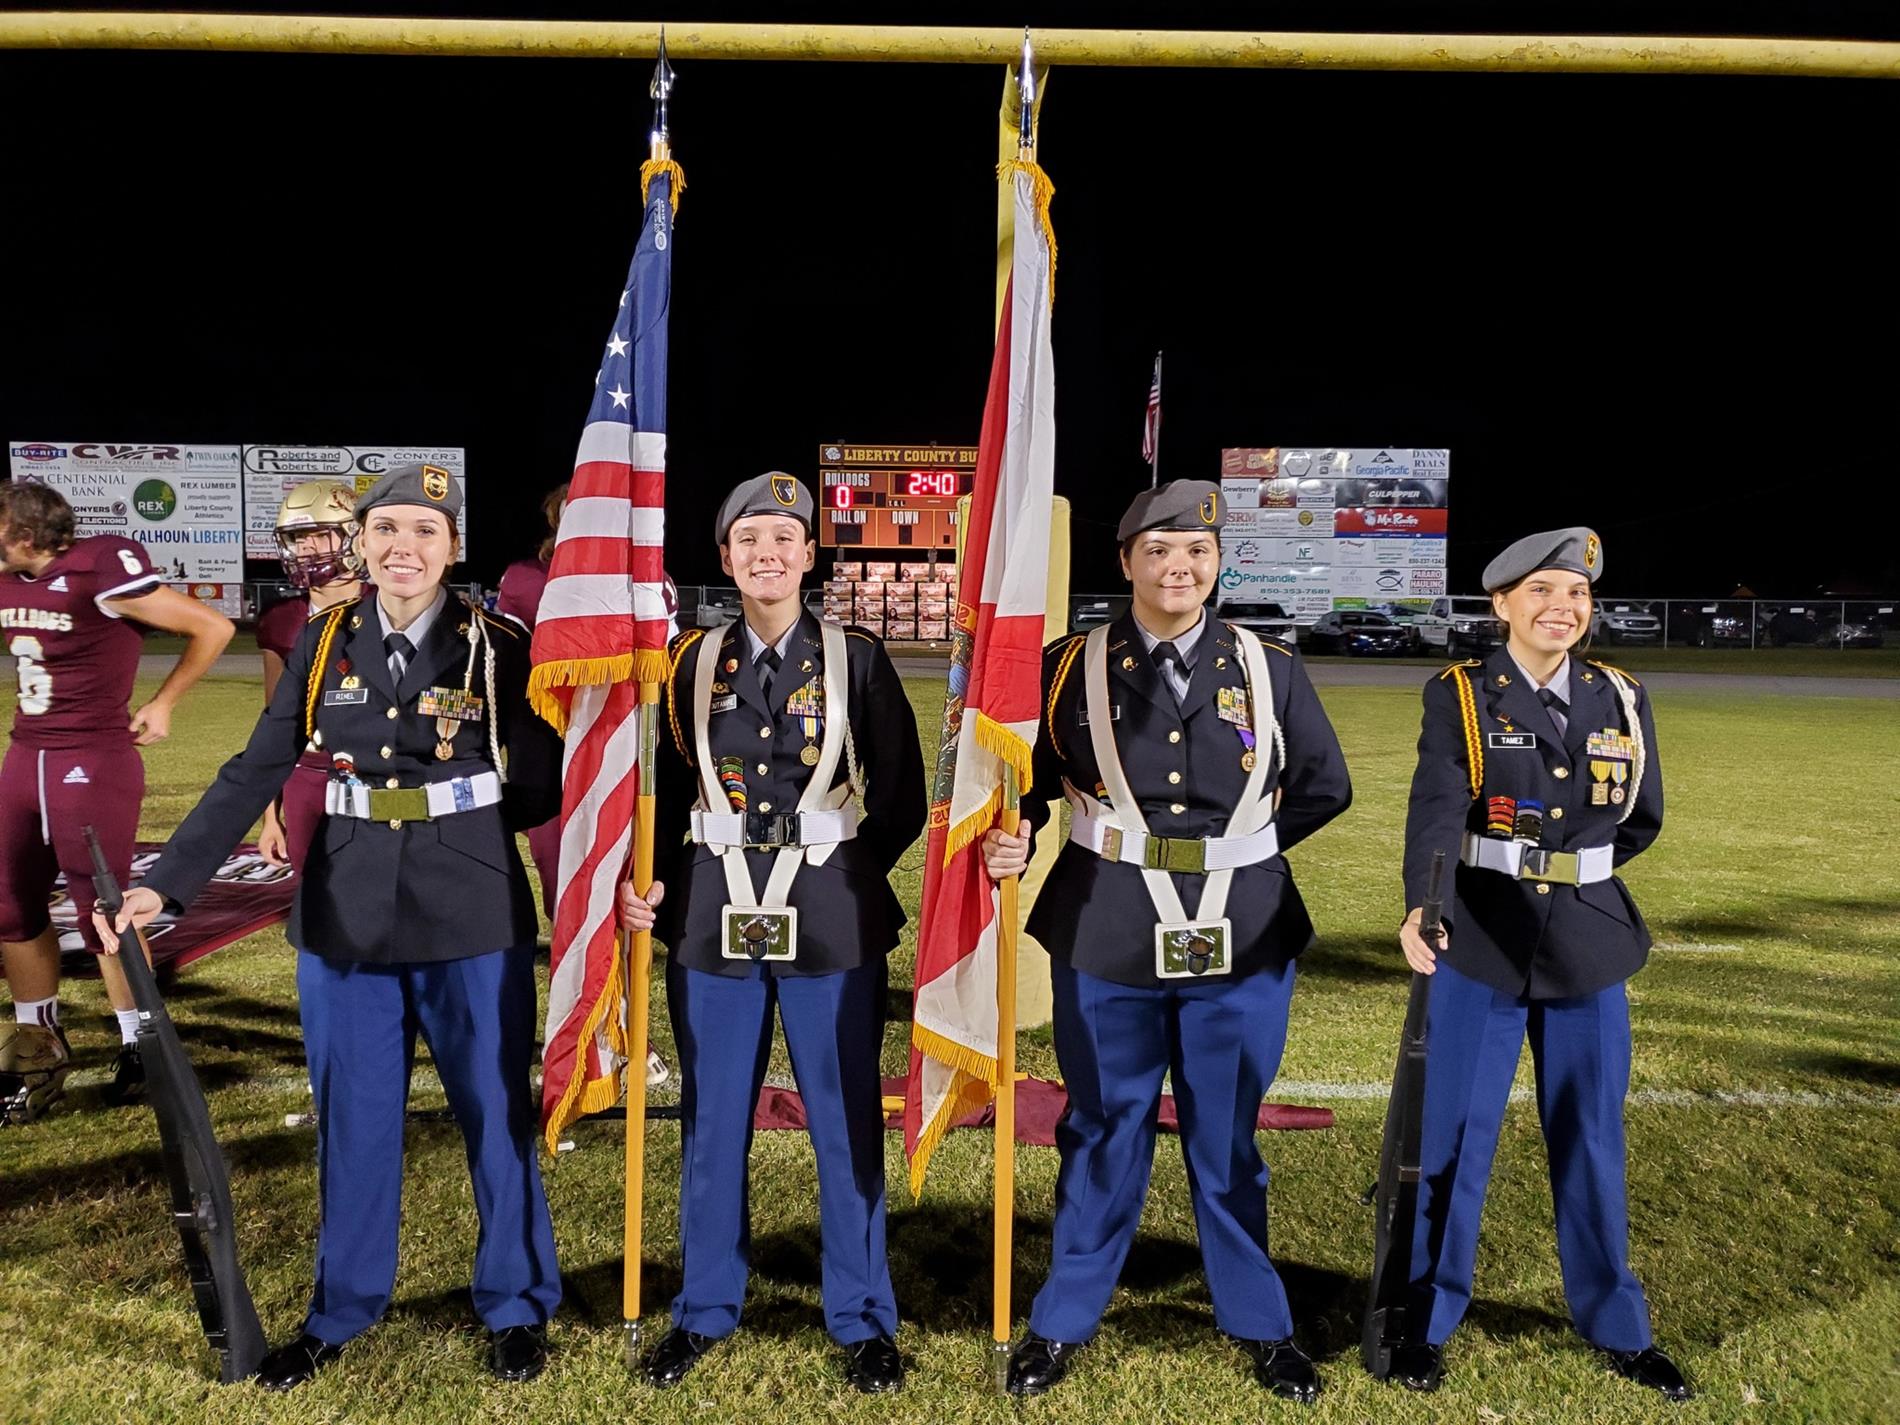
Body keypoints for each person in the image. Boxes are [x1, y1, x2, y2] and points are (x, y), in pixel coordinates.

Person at [99, 464, 563, 1389]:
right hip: (345, 906)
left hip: (470, 907)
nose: (404, 547)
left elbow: (542, 781)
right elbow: (255, 765)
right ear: (360, 542)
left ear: (453, 546)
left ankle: (514, 1301)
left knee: (494, 1112)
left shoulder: (500, 646)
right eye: (386, 528)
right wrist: (171, 884)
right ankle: (343, 1306)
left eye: (425, 531)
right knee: (352, 1118)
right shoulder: (325, 644)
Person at [981, 480, 1352, 1402]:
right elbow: (1025, 774)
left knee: (1226, 1135)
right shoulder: (1070, 665)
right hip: (1105, 923)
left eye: (1195, 552)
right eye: (1158, 551)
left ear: (1217, 561)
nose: (1178, 567)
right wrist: (1019, 826)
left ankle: (1261, 1322)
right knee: (1103, 1125)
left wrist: (1234, 857)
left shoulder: (1271, 668)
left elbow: (1323, 784)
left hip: (1245, 928)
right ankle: (1064, 1318)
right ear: (1126, 562)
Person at [616, 472, 925, 1394]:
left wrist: (849, 874)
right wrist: (654, 881)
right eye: (749, 539)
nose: (768, 554)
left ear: (809, 555)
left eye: (784, 539)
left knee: (844, 1119)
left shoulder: (856, 656)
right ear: (725, 557)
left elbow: (901, 793)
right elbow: (663, 790)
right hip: (711, 909)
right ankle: (705, 1306)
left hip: (829, 910)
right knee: (712, 1121)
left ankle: (863, 1313)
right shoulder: (684, 661)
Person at [1388, 527, 1689, 1401]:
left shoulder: (1624, 696)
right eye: (1544, 592)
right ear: (1504, 604)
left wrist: (1570, 883)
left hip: (1590, 945)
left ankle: (1618, 1324)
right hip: (1481, 939)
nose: (1563, 608)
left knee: (1592, 1140)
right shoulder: (1462, 694)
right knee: (1451, 1139)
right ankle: (1425, 1317)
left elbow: (1640, 818)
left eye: (1578, 594)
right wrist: (1426, 902)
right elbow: (1438, 805)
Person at [0, 480, 233, 1121]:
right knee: (11, 905)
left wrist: (164, 701)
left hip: (92, 760)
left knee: (104, 912)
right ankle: (38, 1043)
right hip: (26, 756)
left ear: (23, 534)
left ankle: (141, 1045)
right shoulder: (10, 580)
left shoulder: (97, 564)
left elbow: (210, 626)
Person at [255, 479, 367, 872]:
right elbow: (273, 725)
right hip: (307, 772)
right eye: (298, 537)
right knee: (313, 899)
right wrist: (271, 816)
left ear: (354, 537)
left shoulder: (389, 607)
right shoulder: (282, 620)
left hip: (376, 771)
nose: (306, 547)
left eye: (320, 535)